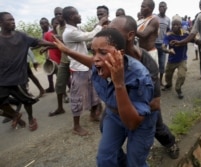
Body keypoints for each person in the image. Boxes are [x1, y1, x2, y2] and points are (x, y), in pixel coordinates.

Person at [53, 27, 157, 167]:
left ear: (119, 54)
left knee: (135, 163)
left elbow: (132, 123)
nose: (96, 58)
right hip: (114, 116)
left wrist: (119, 83)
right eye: (93, 52)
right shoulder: (99, 64)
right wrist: (66, 51)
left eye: (102, 52)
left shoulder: (138, 77)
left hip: (140, 121)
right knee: (105, 159)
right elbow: (90, 62)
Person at [108, 15, 179, 159]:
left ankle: (171, 143)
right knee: (107, 127)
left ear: (130, 35)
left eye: (114, 31)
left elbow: (155, 103)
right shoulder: (111, 56)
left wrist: (131, 111)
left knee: (158, 128)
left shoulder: (146, 61)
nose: (110, 36)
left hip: (145, 105)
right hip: (121, 103)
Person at [0, 12, 55, 131]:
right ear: (1, 23)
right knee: (1, 104)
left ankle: (30, 118)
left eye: (13, 19)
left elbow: (38, 42)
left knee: (26, 101)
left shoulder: (21, 36)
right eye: (9, 20)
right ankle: (15, 115)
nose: (13, 22)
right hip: (2, 79)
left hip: (19, 77)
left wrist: (55, 45)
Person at [62, 6, 106, 136]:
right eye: (77, 13)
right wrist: (99, 24)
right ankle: (76, 126)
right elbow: (89, 36)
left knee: (93, 92)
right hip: (79, 69)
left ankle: (93, 114)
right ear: (71, 17)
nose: (80, 15)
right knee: (77, 97)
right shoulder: (69, 32)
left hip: (86, 66)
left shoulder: (76, 29)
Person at [161, 15, 189, 99]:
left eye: (177, 24)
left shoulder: (185, 33)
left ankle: (178, 89)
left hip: (182, 59)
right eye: (173, 24)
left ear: (180, 25)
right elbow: (163, 46)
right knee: (168, 75)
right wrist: (168, 51)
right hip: (171, 60)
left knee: (181, 75)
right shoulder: (168, 34)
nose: (175, 26)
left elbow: (193, 38)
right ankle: (169, 85)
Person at [49, 6, 70, 117]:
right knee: (59, 83)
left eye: (60, 13)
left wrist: (60, 39)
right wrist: (47, 47)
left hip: (74, 59)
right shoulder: (57, 28)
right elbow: (59, 44)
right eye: (56, 14)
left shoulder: (70, 26)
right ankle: (60, 108)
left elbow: (71, 42)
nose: (58, 16)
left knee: (82, 83)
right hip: (64, 60)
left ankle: (93, 107)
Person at [137, 0, 159, 65]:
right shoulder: (141, 21)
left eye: (143, 7)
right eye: (141, 6)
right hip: (141, 53)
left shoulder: (154, 20)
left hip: (150, 53)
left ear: (150, 9)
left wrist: (130, 28)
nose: (141, 8)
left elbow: (144, 35)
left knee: (151, 74)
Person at [43, 17, 61, 93]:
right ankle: (63, 94)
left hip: (62, 55)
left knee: (63, 77)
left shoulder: (62, 33)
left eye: (58, 23)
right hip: (53, 57)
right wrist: (46, 55)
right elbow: (45, 45)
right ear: (52, 24)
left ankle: (69, 89)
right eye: (55, 23)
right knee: (57, 74)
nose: (57, 25)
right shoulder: (47, 34)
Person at [155, 1, 171, 86]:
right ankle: (154, 81)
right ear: (158, 8)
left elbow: (168, 31)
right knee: (153, 64)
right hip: (154, 44)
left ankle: (160, 81)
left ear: (166, 8)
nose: (162, 8)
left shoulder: (168, 19)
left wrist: (166, 40)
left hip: (163, 45)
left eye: (163, 6)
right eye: (160, 6)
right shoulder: (154, 18)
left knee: (162, 64)